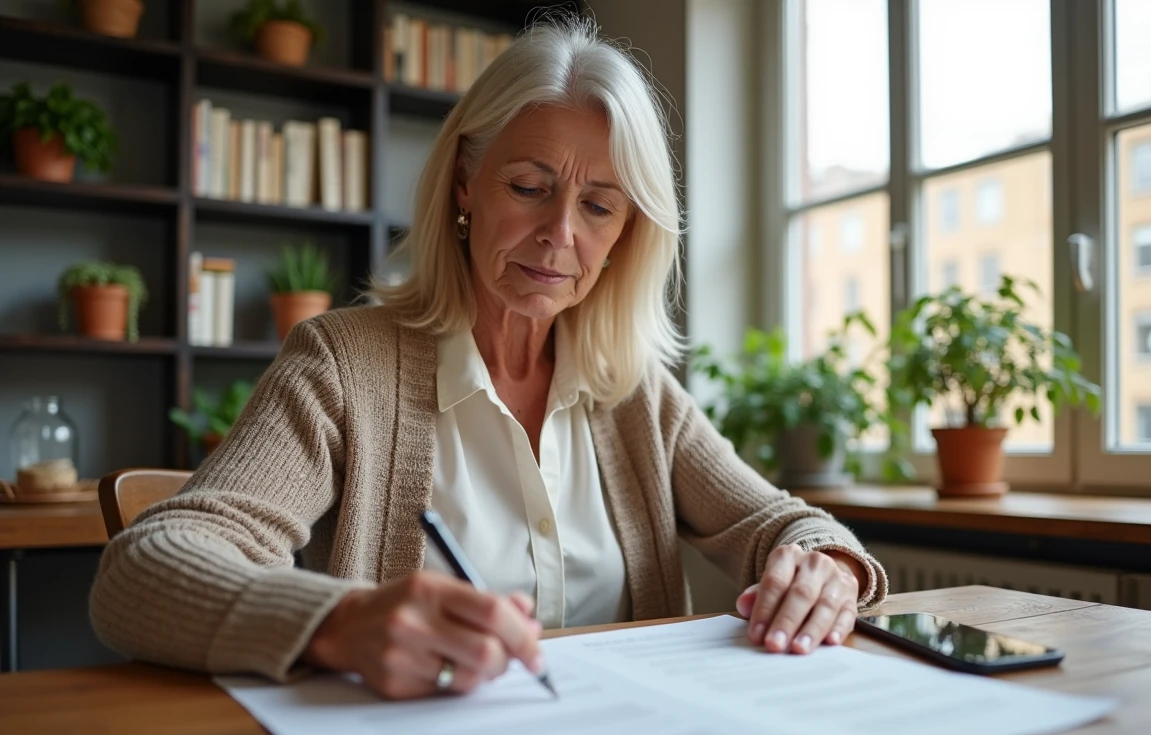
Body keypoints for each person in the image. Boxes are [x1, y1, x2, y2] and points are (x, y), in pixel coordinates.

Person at [90, 17, 887, 700]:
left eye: (598, 206)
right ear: (466, 183)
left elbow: (776, 521)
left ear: (627, 234)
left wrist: (827, 566)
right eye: (530, 187)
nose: (560, 235)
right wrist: (338, 621)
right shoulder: (341, 366)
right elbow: (142, 571)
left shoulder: (634, 393)